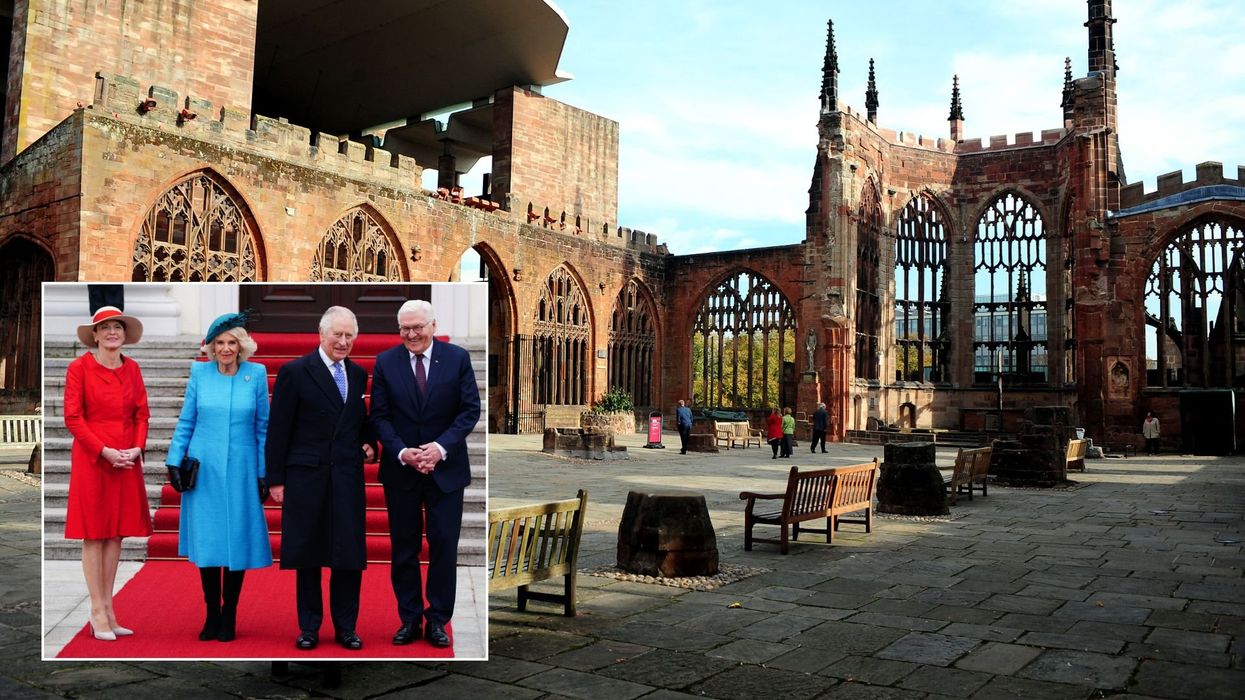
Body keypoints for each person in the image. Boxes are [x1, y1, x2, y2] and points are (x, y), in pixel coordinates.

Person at [371, 299, 481, 648]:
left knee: (444, 546)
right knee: (404, 549)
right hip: (401, 470)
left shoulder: (457, 358)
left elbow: (469, 411)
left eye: (417, 327)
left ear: (433, 325)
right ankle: (409, 619)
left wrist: (440, 448)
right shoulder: (386, 362)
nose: (411, 334)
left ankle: (437, 620)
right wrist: (403, 451)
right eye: (405, 328)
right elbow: (379, 416)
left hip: (445, 470)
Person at [266, 307, 375, 651]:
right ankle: (309, 627)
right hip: (306, 477)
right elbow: (278, 429)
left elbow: (359, 421)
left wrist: (370, 443)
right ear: (321, 334)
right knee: (308, 556)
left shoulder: (357, 374)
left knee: (348, 556)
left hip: (345, 477)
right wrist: (276, 480)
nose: (343, 342)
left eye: (349, 336)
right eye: (337, 335)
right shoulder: (296, 372)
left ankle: (346, 628)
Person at [165, 312, 272, 643]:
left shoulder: (256, 375)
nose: (226, 349)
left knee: (236, 541)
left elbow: (262, 428)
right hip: (205, 469)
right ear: (211, 347)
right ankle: (212, 612)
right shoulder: (200, 373)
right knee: (211, 542)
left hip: (241, 469)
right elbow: (187, 421)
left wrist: (262, 472)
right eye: (220, 343)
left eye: (232, 342)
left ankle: (231, 613)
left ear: (242, 346)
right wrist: (173, 461)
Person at [63, 306, 153, 641]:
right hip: (93, 457)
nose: (112, 332)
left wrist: (137, 447)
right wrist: (103, 450)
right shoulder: (79, 368)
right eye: (105, 328)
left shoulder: (133, 369)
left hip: (127, 457)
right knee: (95, 533)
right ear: (96, 335)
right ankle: (97, 610)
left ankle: (109, 609)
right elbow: (73, 418)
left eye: (118, 327)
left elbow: (142, 414)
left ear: (125, 335)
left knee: (116, 533)